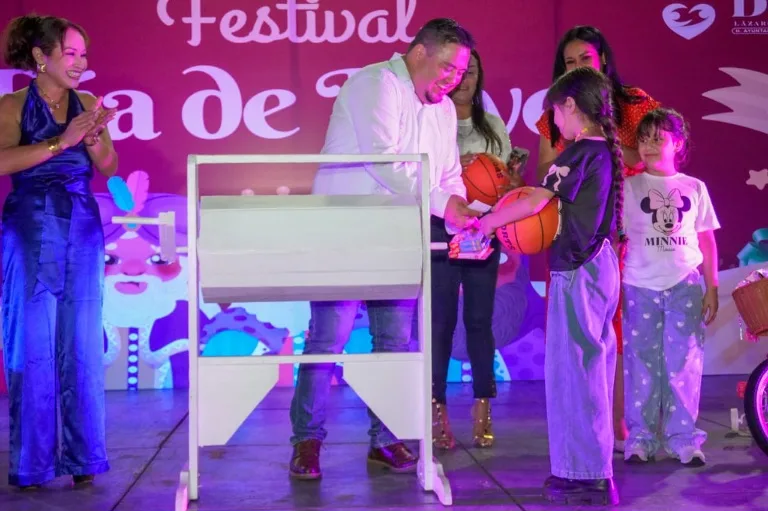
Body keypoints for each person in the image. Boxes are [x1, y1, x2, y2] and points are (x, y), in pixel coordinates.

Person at [289, 18, 478, 480]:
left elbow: (448, 174)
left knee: (394, 342)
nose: (455, 80)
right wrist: (445, 204)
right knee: (327, 339)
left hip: (398, 233)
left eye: (461, 73)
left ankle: (385, 438)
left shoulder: (443, 109)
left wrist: (461, 206)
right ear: (420, 53)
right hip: (343, 232)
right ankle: (307, 441)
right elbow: (387, 163)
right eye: (449, 68)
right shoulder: (375, 84)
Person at [478, 66, 624, 506]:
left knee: (573, 375)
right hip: (601, 267)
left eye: (555, 114)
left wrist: (486, 223)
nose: (554, 124)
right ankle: (592, 469)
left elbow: (535, 202)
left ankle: (583, 474)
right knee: (592, 370)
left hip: (579, 271)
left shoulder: (578, 153)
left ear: (570, 106)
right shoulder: (603, 152)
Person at [0, 14, 118, 489]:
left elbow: (110, 166)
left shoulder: (87, 103)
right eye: (70, 53)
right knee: (31, 341)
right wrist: (59, 142)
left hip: (83, 227)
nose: (80, 63)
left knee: (83, 340)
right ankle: (32, 463)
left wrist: (92, 140)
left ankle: (84, 456)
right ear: (40, 56)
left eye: (83, 54)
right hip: (30, 226)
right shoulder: (12, 105)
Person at [535, 25, 661, 452]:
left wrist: (601, 148)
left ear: (603, 58)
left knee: (623, 329)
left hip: (635, 225)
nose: (578, 66)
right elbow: (546, 172)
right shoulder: (557, 116)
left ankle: (626, 424)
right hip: (581, 232)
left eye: (585, 59)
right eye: (569, 62)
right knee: (586, 337)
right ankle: (598, 432)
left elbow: (656, 154)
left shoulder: (634, 104)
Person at [430, 48, 525, 450]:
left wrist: (497, 179)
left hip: (482, 231)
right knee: (440, 322)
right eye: (459, 72)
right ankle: (436, 409)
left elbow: (505, 184)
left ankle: (482, 406)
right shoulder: (431, 119)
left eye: (471, 72)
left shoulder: (492, 125)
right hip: (442, 228)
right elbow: (424, 174)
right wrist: (460, 167)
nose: (464, 79)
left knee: (479, 321)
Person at [621, 108, 719, 466]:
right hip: (639, 286)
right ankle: (641, 438)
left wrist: (712, 287)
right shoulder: (628, 188)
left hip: (684, 285)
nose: (648, 146)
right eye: (643, 139)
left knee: (684, 363)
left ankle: (683, 438)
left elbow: (706, 240)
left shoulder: (694, 187)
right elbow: (616, 239)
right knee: (641, 364)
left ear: (677, 143)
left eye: (657, 138)